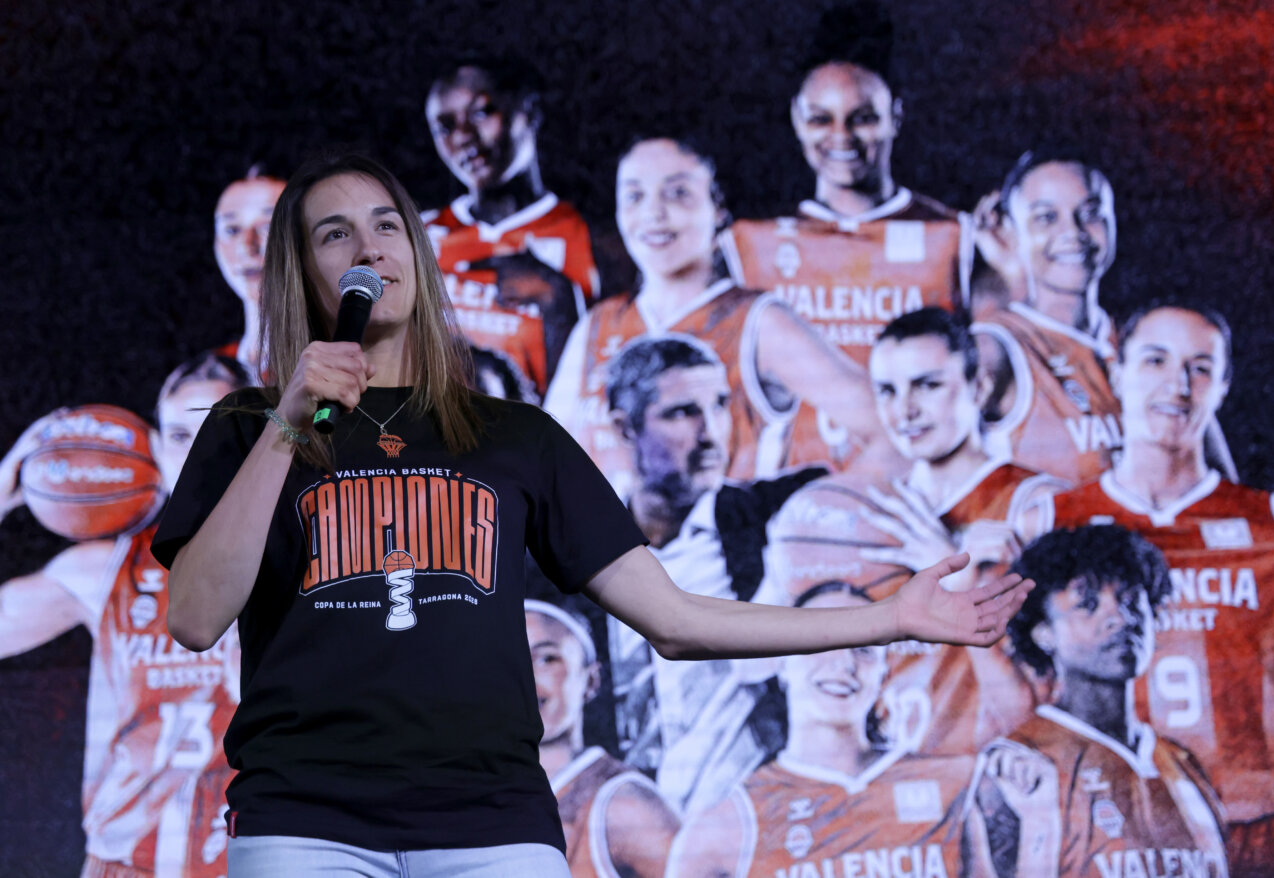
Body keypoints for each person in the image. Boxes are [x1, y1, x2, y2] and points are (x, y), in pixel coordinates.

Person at [150, 151, 1031, 878]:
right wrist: (287, 427)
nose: (369, 247)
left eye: (388, 225)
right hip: (309, 824)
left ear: (417, 254)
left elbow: (678, 622)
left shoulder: (514, 438)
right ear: (302, 271)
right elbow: (193, 617)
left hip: (491, 828)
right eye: (334, 233)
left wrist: (895, 617)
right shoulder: (244, 430)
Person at [1045, 303, 1274, 875]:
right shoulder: (1057, 519)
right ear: (1116, 371)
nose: (1178, 385)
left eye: (1200, 368)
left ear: (1222, 387)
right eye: (1155, 361)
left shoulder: (1267, 520)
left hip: (1256, 820)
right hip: (1117, 828)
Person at [763, 309, 1058, 756]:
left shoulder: (1033, 506)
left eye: (928, 385)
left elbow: (1058, 682)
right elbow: (755, 664)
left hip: (996, 767)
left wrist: (960, 585)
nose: (905, 410)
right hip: (891, 778)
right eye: (888, 391)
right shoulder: (860, 512)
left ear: (978, 389)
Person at [0, 352, 250, 877]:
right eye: (182, 437)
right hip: (124, 866)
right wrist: (2, 490)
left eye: (219, 430)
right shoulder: (106, 572)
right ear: (157, 451)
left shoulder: (308, 563)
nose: (201, 453)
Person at [544, 137, 900, 501]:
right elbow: (544, 463)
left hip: (721, 554)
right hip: (614, 556)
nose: (653, 214)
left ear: (717, 208)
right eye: (635, 196)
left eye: (677, 193)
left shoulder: (761, 323)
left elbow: (893, 431)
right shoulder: (599, 325)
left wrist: (817, 521)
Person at [720, 33, 972, 470]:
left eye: (862, 118)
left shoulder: (953, 236)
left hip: (915, 492)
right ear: (797, 121)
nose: (841, 136)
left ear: (895, 117)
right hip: (793, 500)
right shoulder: (750, 243)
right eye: (821, 119)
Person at [603, 335, 824, 813]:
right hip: (624, 828)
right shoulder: (570, 547)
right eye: (682, 412)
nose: (711, 432)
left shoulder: (773, 514)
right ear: (625, 429)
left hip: (754, 816)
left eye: (719, 405)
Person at [966, 525, 1229, 877]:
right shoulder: (1018, 766)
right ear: (1043, 633)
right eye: (1087, 605)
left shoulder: (1184, 764)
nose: (1119, 619)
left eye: (1130, 600)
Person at [667, 583, 974, 878]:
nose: (844, 663)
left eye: (865, 649)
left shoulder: (951, 783)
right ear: (782, 661)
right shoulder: (728, 826)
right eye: (819, 642)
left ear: (884, 671)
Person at [422, 58, 597, 397]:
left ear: (528, 111)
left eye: (480, 113)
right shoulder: (418, 235)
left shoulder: (590, 238)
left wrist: (559, 299)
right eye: (445, 126)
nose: (462, 136)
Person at [971, 154, 1125, 486]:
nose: (1073, 232)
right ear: (1011, 235)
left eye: (1090, 213)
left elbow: (1215, 482)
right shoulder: (996, 345)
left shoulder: (1140, 341)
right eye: (1046, 218)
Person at [526, 600, 679, 878]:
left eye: (547, 659)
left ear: (592, 679)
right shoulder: (479, 795)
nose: (525, 678)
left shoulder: (622, 805)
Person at [213, 169, 287, 379]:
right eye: (232, 229)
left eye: (269, 226)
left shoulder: (351, 367)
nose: (246, 246)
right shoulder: (206, 377)